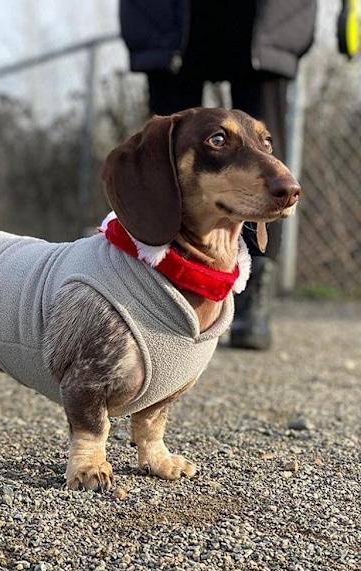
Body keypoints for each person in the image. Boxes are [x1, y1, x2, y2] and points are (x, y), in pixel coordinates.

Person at [119, 0, 317, 350]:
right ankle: (152, 285)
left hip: (269, 15)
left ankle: (253, 293)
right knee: (162, 146)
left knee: (261, 147)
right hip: (166, 14)